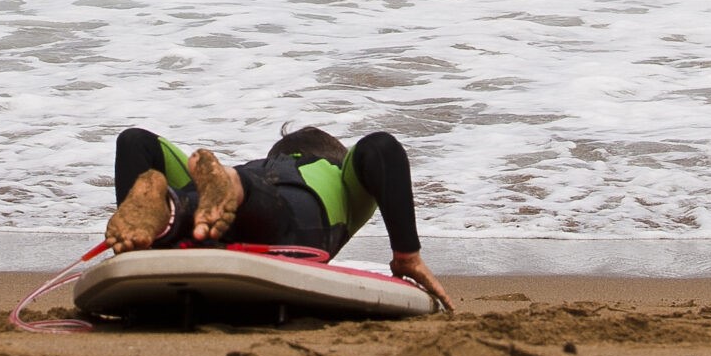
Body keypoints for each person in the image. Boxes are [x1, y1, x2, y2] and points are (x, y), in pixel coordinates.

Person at [103, 125, 453, 308]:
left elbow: (135, 143)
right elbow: (381, 148)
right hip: (291, 217)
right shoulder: (340, 177)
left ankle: (154, 228)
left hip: (217, 210)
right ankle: (236, 190)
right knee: (272, 219)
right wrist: (407, 255)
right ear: (338, 159)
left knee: (181, 213)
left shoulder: (250, 172)